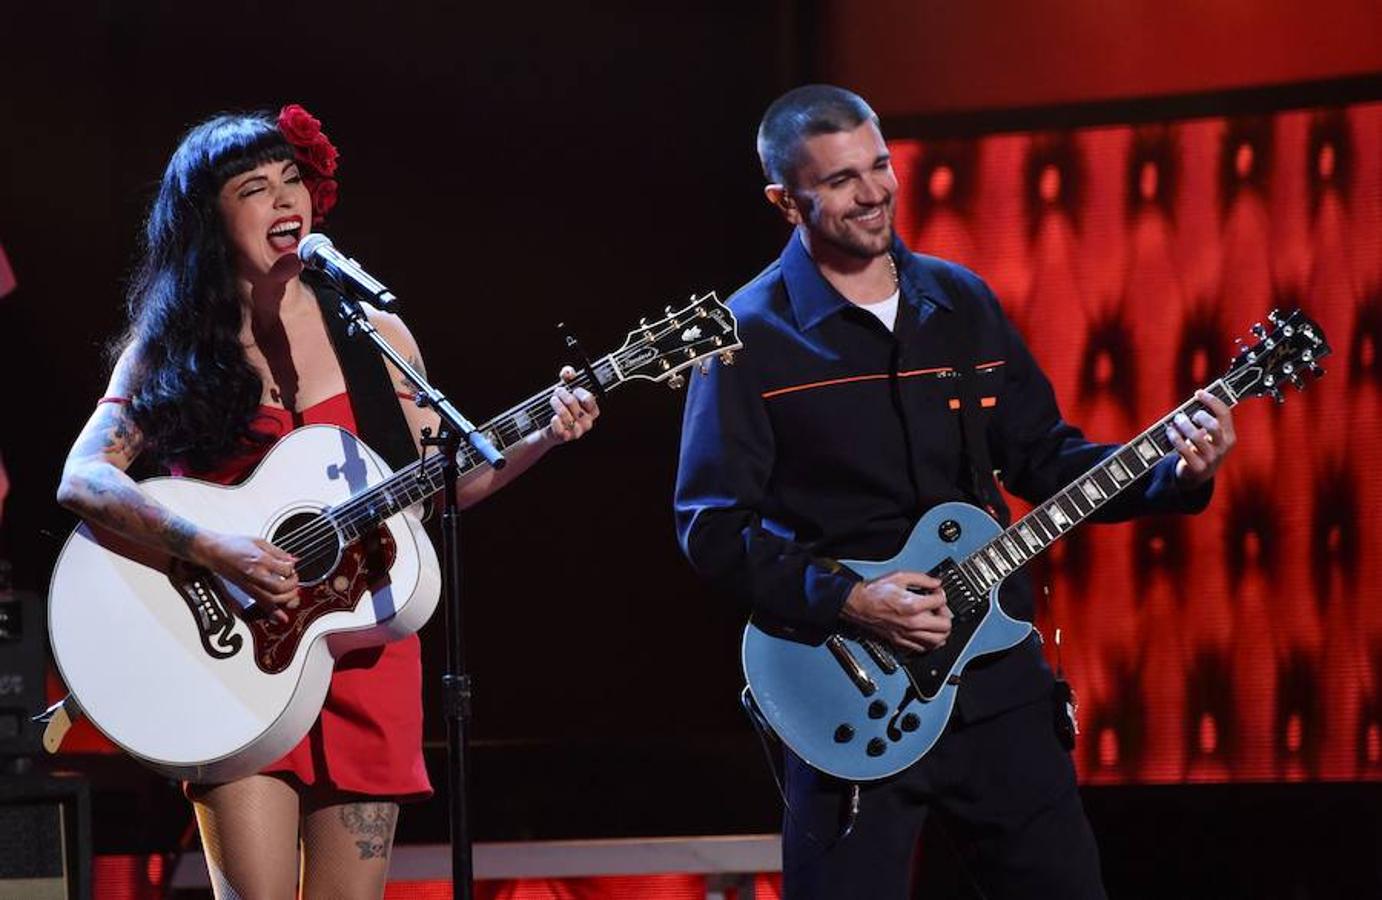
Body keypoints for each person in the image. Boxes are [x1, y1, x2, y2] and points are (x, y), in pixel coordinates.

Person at [674, 85, 1235, 899]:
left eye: (881, 165)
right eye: (840, 181)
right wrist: (852, 600)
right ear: (783, 200)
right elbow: (713, 528)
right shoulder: (745, 337)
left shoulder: (960, 302)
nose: (874, 194)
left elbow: (1044, 458)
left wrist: (1175, 473)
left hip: (999, 689)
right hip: (849, 698)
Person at [55, 106, 599, 899]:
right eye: (255, 187)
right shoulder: (172, 348)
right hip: (233, 654)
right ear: (209, 219)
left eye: (292, 181)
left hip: (364, 646)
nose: (286, 201)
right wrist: (212, 547)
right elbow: (85, 478)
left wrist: (542, 435)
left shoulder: (376, 335)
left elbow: (441, 486)